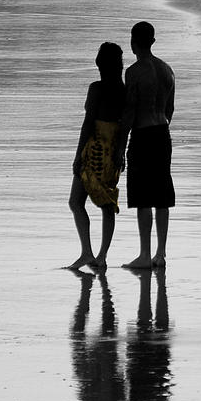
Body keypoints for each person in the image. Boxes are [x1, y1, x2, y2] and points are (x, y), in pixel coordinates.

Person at [115, 22, 175, 269]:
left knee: (142, 197)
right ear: (152, 41)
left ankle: (144, 254)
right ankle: (160, 254)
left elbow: (129, 112)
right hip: (162, 132)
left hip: (142, 134)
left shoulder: (134, 72)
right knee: (161, 196)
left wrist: (120, 147)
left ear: (134, 42)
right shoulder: (166, 69)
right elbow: (170, 109)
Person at [67, 42, 126, 270]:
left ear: (100, 64)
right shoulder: (123, 90)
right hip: (113, 149)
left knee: (75, 201)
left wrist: (77, 155)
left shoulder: (97, 88)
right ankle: (100, 255)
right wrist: (122, 150)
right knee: (107, 204)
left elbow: (88, 123)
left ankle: (87, 252)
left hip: (95, 149)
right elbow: (125, 125)